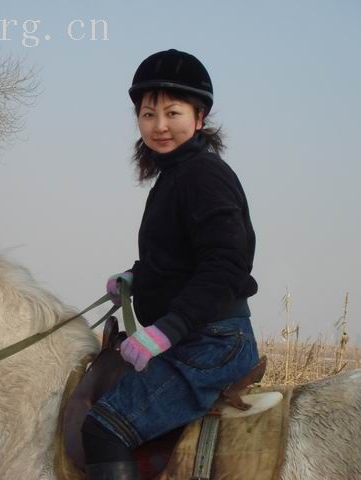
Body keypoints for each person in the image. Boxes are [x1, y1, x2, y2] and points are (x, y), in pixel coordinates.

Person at [81, 49, 260, 479]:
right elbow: (182, 257)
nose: (159, 126)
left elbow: (224, 263)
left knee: (103, 430)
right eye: (147, 114)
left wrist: (167, 329)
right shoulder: (175, 175)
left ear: (199, 118)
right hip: (198, 336)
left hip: (213, 341)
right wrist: (137, 276)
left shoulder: (203, 175)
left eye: (172, 112)